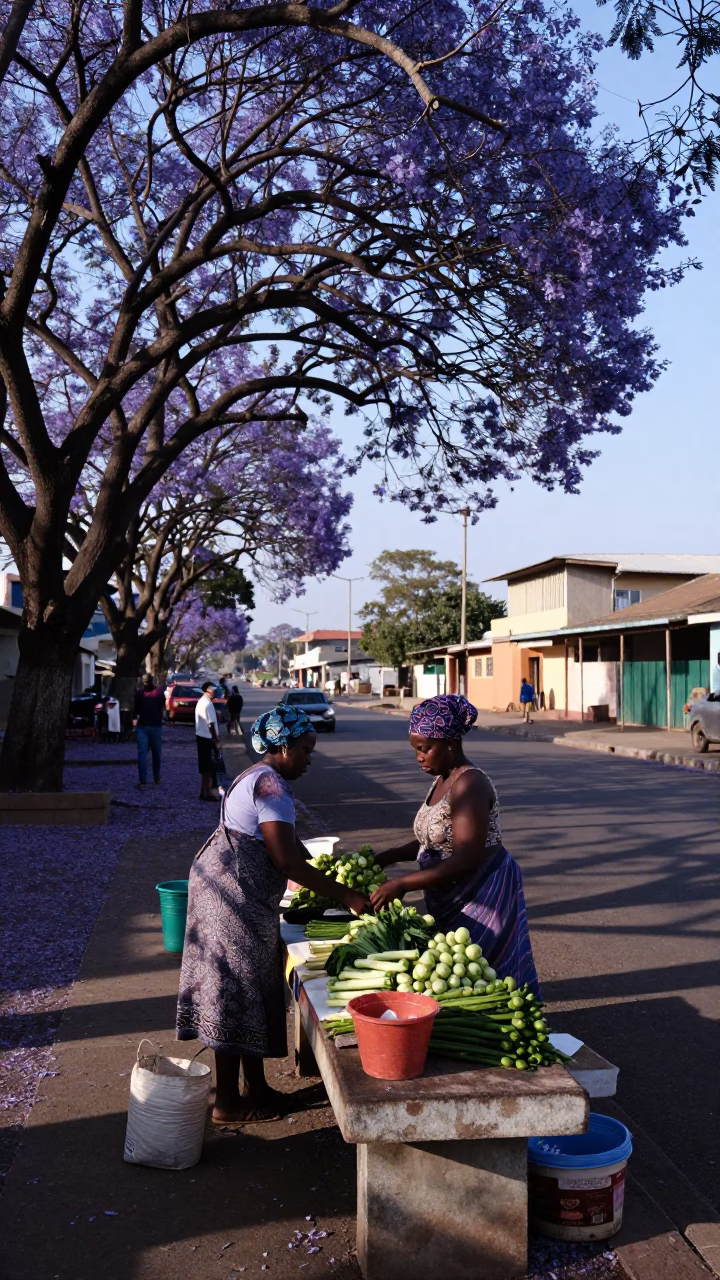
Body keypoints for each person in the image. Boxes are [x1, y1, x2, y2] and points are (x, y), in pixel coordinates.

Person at [177, 704, 369, 1124]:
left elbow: (290, 844)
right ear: (283, 746)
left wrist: (328, 878)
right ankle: (227, 1103)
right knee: (233, 992)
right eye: (305, 749)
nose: (309, 759)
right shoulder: (271, 786)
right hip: (231, 899)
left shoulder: (255, 775)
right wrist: (345, 896)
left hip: (227, 892)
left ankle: (257, 1089)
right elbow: (287, 861)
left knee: (245, 989)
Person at [369, 693, 540, 995]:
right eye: (415, 750)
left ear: (450, 743)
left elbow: (466, 857)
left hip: (481, 893)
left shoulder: (469, 783)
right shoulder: (443, 777)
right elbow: (432, 838)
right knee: (456, 976)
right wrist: (387, 856)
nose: (419, 757)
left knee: (481, 977)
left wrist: (403, 884)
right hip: (448, 891)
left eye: (425, 749)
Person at [133, 673, 165, 788]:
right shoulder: (141, 694)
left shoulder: (157, 693)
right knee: (145, 753)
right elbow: (135, 710)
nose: (145, 682)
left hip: (153, 726)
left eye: (146, 680)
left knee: (154, 754)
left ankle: (154, 777)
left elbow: (162, 706)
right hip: (145, 726)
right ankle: (145, 779)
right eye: (144, 680)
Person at [195, 680, 221, 800]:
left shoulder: (200, 702)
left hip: (200, 737)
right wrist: (216, 740)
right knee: (209, 768)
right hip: (207, 739)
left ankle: (203, 791)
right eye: (214, 690)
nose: (216, 692)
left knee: (204, 767)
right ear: (209, 691)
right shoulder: (208, 704)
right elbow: (211, 724)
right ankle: (208, 792)